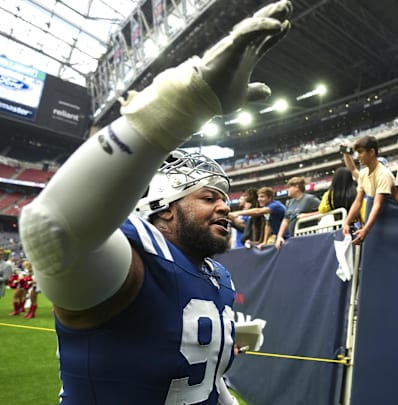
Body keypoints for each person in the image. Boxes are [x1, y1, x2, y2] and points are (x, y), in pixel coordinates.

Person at [18, 1, 291, 403]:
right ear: (164, 206)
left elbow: (209, 386)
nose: (225, 207)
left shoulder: (217, 275)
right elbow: (48, 231)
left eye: (225, 198)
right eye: (208, 197)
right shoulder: (133, 260)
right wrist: (183, 105)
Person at [342, 135, 395, 245]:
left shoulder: (383, 174)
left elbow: (377, 204)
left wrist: (365, 230)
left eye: (360, 152)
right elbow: (358, 202)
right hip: (374, 223)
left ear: (371, 152)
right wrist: (346, 222)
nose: (358, 157)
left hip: (390, 222)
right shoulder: (363, 174)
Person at [274, 177, 320, 249]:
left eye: (289, 187)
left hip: (309, 238)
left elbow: (323, 212)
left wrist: (307, 215)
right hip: (294, 238)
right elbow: (285, 220)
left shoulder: (310, 199)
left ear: (296, 187)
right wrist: (279, 236)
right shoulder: (290, 202)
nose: (287, 189)